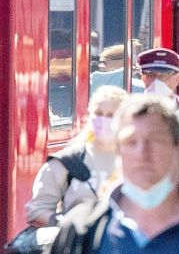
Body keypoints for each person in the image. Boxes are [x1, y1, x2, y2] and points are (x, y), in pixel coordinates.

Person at [46, 95, 179, 254]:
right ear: (118, 150)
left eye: (156, 141)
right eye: (131, 142)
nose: (143, 153)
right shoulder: (81, 231)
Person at [26, 86, 128, 227]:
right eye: (98, 113)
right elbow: (36, 211)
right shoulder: (67, 162)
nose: (103, 119)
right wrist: (66, 225)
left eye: (111, 115)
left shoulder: (136, 162)